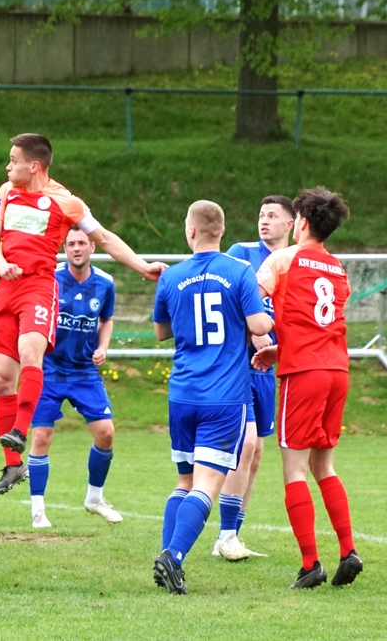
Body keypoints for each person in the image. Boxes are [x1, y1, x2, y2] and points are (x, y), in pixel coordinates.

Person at [0, 134, 165, 497]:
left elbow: (107, 238)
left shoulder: (67, 202)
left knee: (30, 352)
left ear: (33, 166)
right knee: (3, 380)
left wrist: (143, 266)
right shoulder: (6, 191)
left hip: (38, 286)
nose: (7, 167)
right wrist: (1, 262)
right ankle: (13, 464)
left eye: (13, 160)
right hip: (5, 287)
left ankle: (20, 429)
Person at [151, 200, 272, 595]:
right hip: (224, 396)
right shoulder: (239, 270)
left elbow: (161, 332)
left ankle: (166, 555)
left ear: (190, 231)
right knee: (206, 484)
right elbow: (258, 325)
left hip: (183, 393)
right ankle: (174, 557)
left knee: (184, 480)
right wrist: (268, 315)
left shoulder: (171, 276)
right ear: (222, 231)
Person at [253, 187, 362, 590]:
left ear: (299, 221)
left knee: (294, 469)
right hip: (337, 370)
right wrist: (281, 349)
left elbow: (250, 299)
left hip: (304, 374)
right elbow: (319, 323)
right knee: (323, 465)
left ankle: (310, 563)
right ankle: (348, 551)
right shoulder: (337, 267)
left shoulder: (283, 258)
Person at [211, 195, 294, 561]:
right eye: (261, 214)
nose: (264, 220)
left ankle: (231, 536)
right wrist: (251, 328)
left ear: (291, 224)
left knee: (256, 453)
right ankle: (225, 535)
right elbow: (220, 298)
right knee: (243, 446)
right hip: (236, 367)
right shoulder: (241, 254)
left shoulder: (293, 262)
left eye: (273, 215)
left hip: (266, 371)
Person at [28, 226, 121, 527]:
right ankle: (38, 511)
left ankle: (95, 498)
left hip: (84, 372)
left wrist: (103, 347)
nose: (76, 248)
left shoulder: (105, 283)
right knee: (41, 436)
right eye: (70, 244)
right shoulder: (50, 278)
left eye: (82, 243)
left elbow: (106, 319)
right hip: (48, 370)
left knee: (106, 433)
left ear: (92, 247)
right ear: (65, 248)